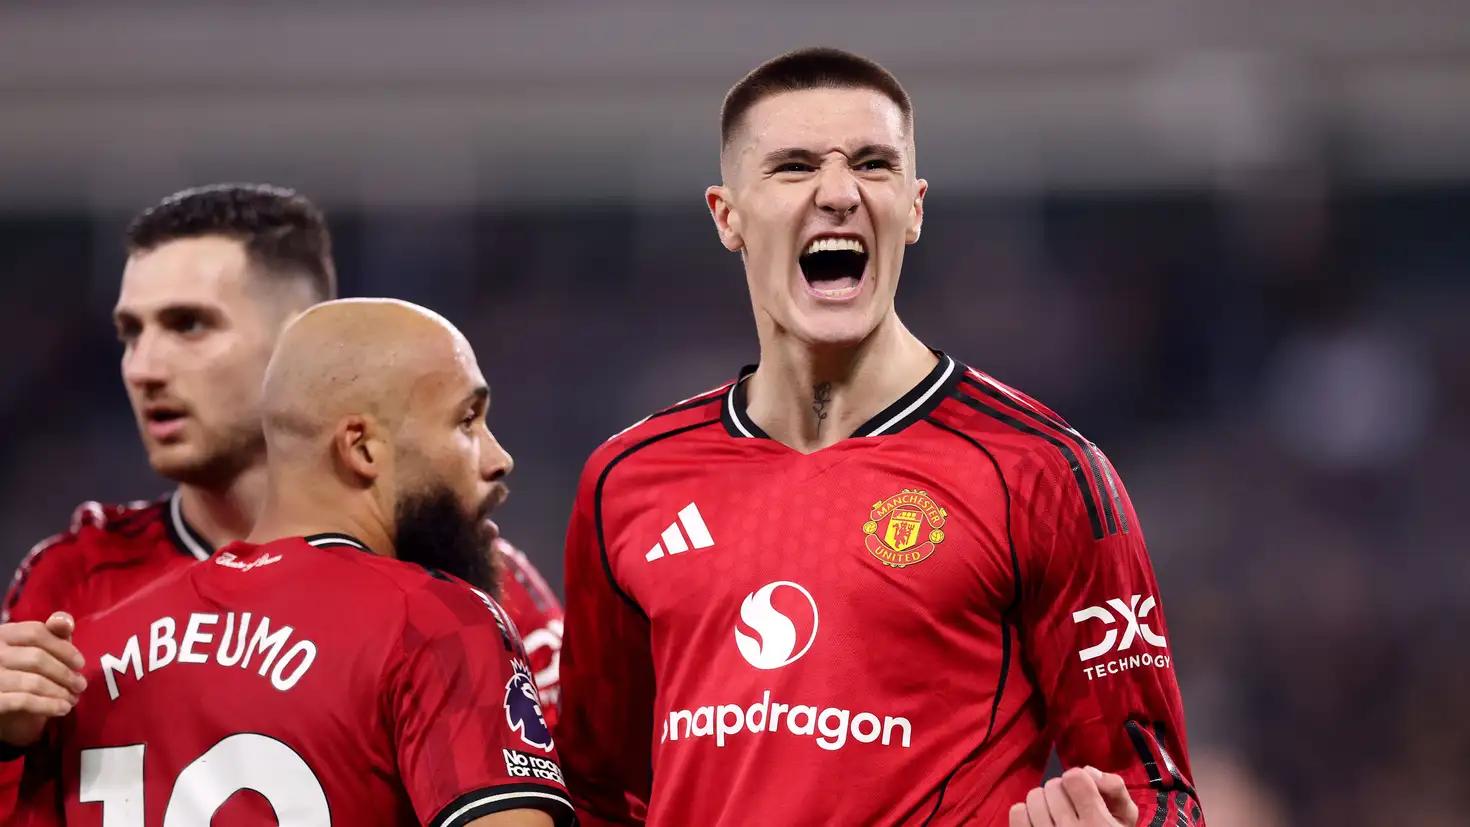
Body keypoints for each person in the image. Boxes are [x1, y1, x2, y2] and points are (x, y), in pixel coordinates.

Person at [554, 47, 1204, 827]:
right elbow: (595, 795)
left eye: (872, 164)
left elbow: (1161, 795)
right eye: (794, 167)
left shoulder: (1043, 472)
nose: (838, 193)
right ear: (728, 216)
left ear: (915, 207)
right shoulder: (627, 481)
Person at [0, 184, 565, 813]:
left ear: (303, 340)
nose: (143, 368)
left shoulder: (483, 585)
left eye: (189, 325)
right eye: (131, 333)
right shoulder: (73, 580)